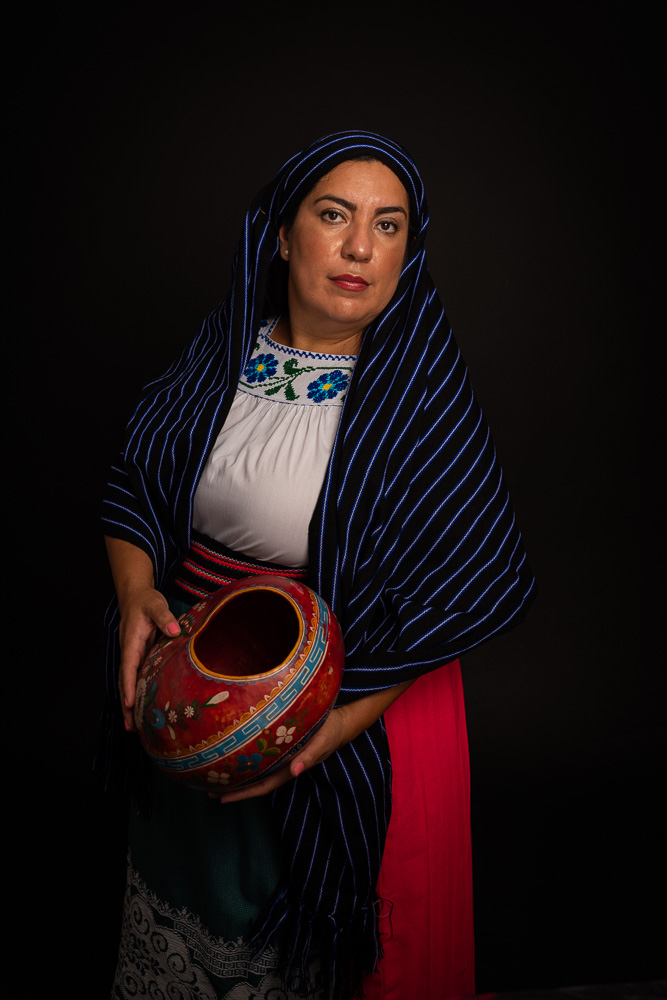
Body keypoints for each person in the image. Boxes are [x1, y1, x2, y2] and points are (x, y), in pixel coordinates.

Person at [102, 130, 535, 1000]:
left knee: (295, 944)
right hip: (184, 691)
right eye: (334, 216)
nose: (360, 248)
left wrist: (323, 730)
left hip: (339, 703)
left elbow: (466, 580)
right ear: (279, 233)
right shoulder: (228, 348)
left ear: (408, 250)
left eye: (388, 225)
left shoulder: (417, 391)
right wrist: (138, 590)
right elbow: (138, 476)